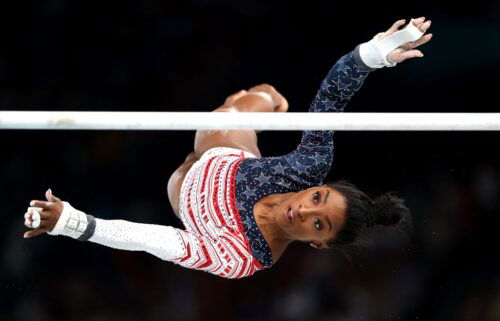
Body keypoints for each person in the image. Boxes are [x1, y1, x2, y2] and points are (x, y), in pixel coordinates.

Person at [23, 17, 432, 279]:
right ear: (317, 186)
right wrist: (372, 56)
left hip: (183, 192)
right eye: (318, 198)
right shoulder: (310, 165)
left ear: (317, 243)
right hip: (225, 153)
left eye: (318, 223)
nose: (305, 209)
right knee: (232, 113)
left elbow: (157, 241)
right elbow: (330, 98)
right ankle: (267, 99)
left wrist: (74, 223)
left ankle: (263, 102)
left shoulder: (241, 258)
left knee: (225, 124)